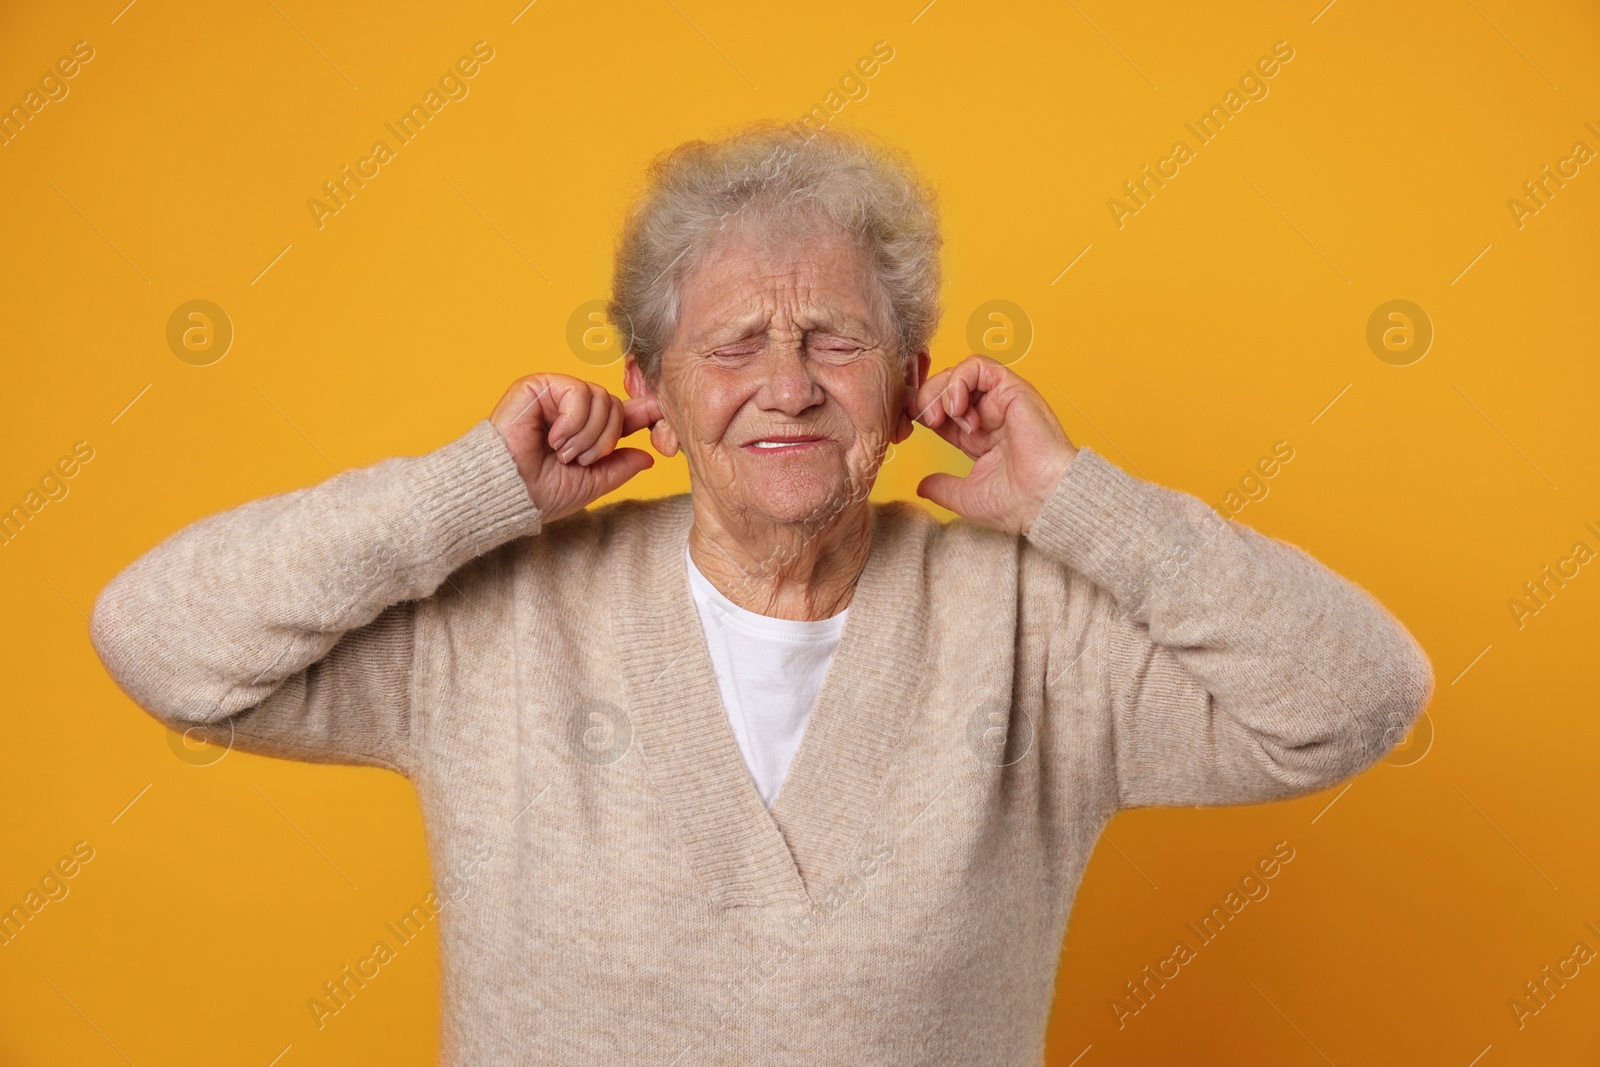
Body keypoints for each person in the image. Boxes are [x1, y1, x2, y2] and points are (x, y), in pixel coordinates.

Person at [88, 120, 1433, 1065]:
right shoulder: (502, 621)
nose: (786, 384)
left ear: (909, 388)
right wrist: (465, 492)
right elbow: (161, 642)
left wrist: (1080, 503)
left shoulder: (1031, 631)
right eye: (732, 343)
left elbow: (1362, 695)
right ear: (651, 392)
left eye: (835, 340)